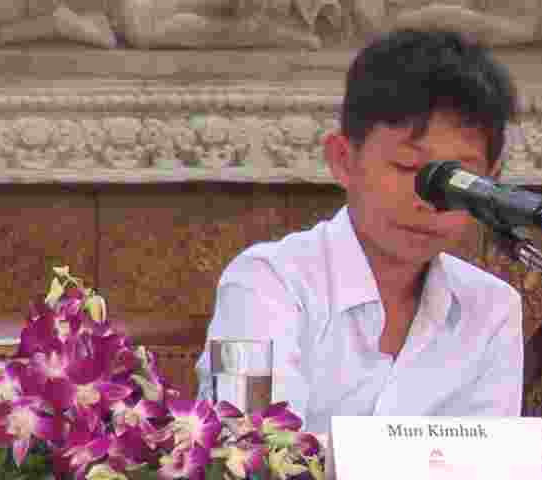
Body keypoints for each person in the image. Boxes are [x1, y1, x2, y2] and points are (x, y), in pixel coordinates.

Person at [196, 29, 524, 433]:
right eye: (407, 167)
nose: (429, 198)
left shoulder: (492, 309)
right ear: (344, 160)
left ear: (489, 182)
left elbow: (489, 466)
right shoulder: (262, 283)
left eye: (456, 179)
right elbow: (244, 448)